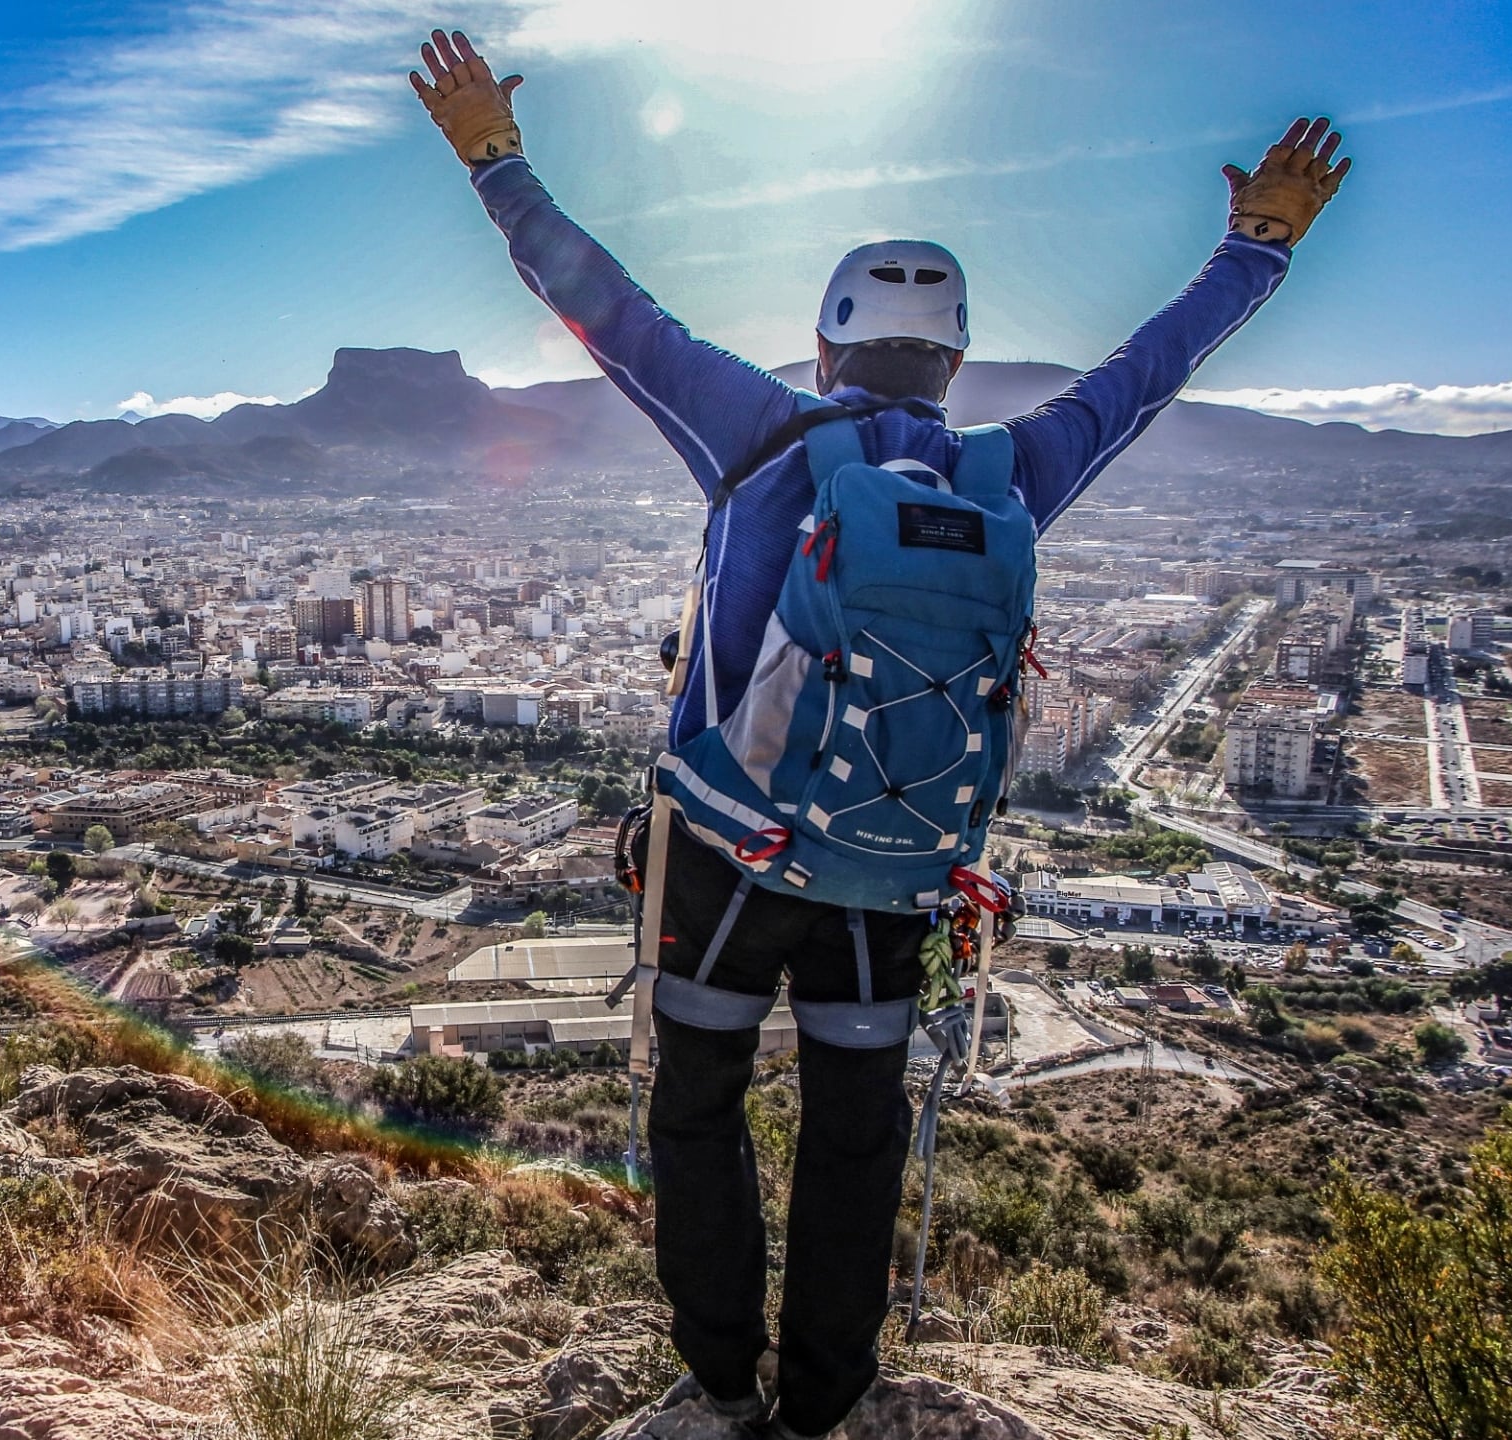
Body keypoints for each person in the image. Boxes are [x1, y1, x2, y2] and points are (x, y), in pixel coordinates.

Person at [411, 27, 1349, 1440]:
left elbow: (605, 307)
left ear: (828, 341)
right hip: (894, 872)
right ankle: (823, 1405)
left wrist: (496, 157)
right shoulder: (1013, 468)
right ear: (956, 360)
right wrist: (1258, 247)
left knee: (700, 1110)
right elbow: (1143, 377)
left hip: (727, 853)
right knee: (854, 1141)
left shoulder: (758, 431)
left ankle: (721, 1385)